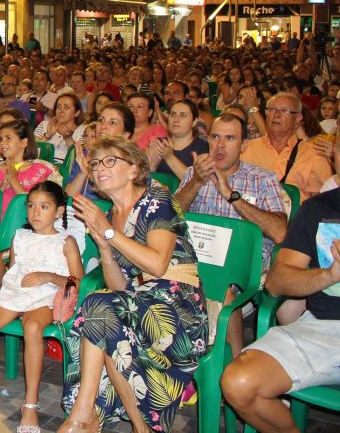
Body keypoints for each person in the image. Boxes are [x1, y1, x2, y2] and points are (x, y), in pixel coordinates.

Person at [60, 136, 206, 433]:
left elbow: (157, 265)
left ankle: (84, 415)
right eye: (96, 163)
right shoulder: (111, 215)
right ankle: (116, 422)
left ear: (134, 169)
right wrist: (103, 247)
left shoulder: (157, 199)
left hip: (177, 308)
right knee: (103, 312)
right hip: (137, 303)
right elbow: (119, 286)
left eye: (110, 160)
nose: (100, 167)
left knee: (99, 308)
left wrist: (109, 233)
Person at [0, 181, 83, 433]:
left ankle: (30, 404)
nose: (35, 213)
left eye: (44, 207)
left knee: (32, 328)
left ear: (59, 212)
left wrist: (48, 276)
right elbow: (14, 272)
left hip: (45, 295)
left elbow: (77, 281)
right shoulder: (20, 236)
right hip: (17, 292)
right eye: (31, 206)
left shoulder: (66, 241)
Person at [220, 187, 340, 433]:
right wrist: (329, 275)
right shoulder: (319, 208)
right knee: (239, 382)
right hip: (324, 328)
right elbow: (277, 282)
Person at [175, 112, 288, 351]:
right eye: (215, 137)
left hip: (243, 265)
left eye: (229, 138)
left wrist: (232, 196)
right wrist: (196, 182)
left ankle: (235, 360)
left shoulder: (262, 180)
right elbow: (170, 217)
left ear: (244, 144)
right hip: (200, 259)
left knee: (221, 283)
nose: (220, 145)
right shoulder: (193, 174)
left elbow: (279, 233)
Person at [244, 92, 333, 202]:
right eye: (271, 109)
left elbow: (321, 204)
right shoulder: (247, 149)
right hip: (251, 216)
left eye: (284, 111)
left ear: (297, 119)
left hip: (296, 218)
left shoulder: (315, 153)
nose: (276, 115)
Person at [0, 119, 61, 216]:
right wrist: (3, 185)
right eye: (1, 139)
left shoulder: (39, 171)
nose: (2, 143)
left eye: (8, 138)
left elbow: (34, 209)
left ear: (24, 142)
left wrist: (13, 180)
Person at [148, 98, 208, 181]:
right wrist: (153, 164)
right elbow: (143, 183)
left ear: (194, 122)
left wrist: (169, 157)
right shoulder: (159, 143)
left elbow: (197, 183)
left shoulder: (203, 147)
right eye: (173, 114)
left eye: (183, 115)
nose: (176, 119)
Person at [34, 92, 85, 162]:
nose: (61, 111)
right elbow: (31, 152)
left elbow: (82, 158)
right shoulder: (45, 125)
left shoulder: (83, 130)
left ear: (76, 113)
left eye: (66, 107)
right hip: (41, 167)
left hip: (67, 171)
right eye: (58, 106)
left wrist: (68, 139)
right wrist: (47, 136)